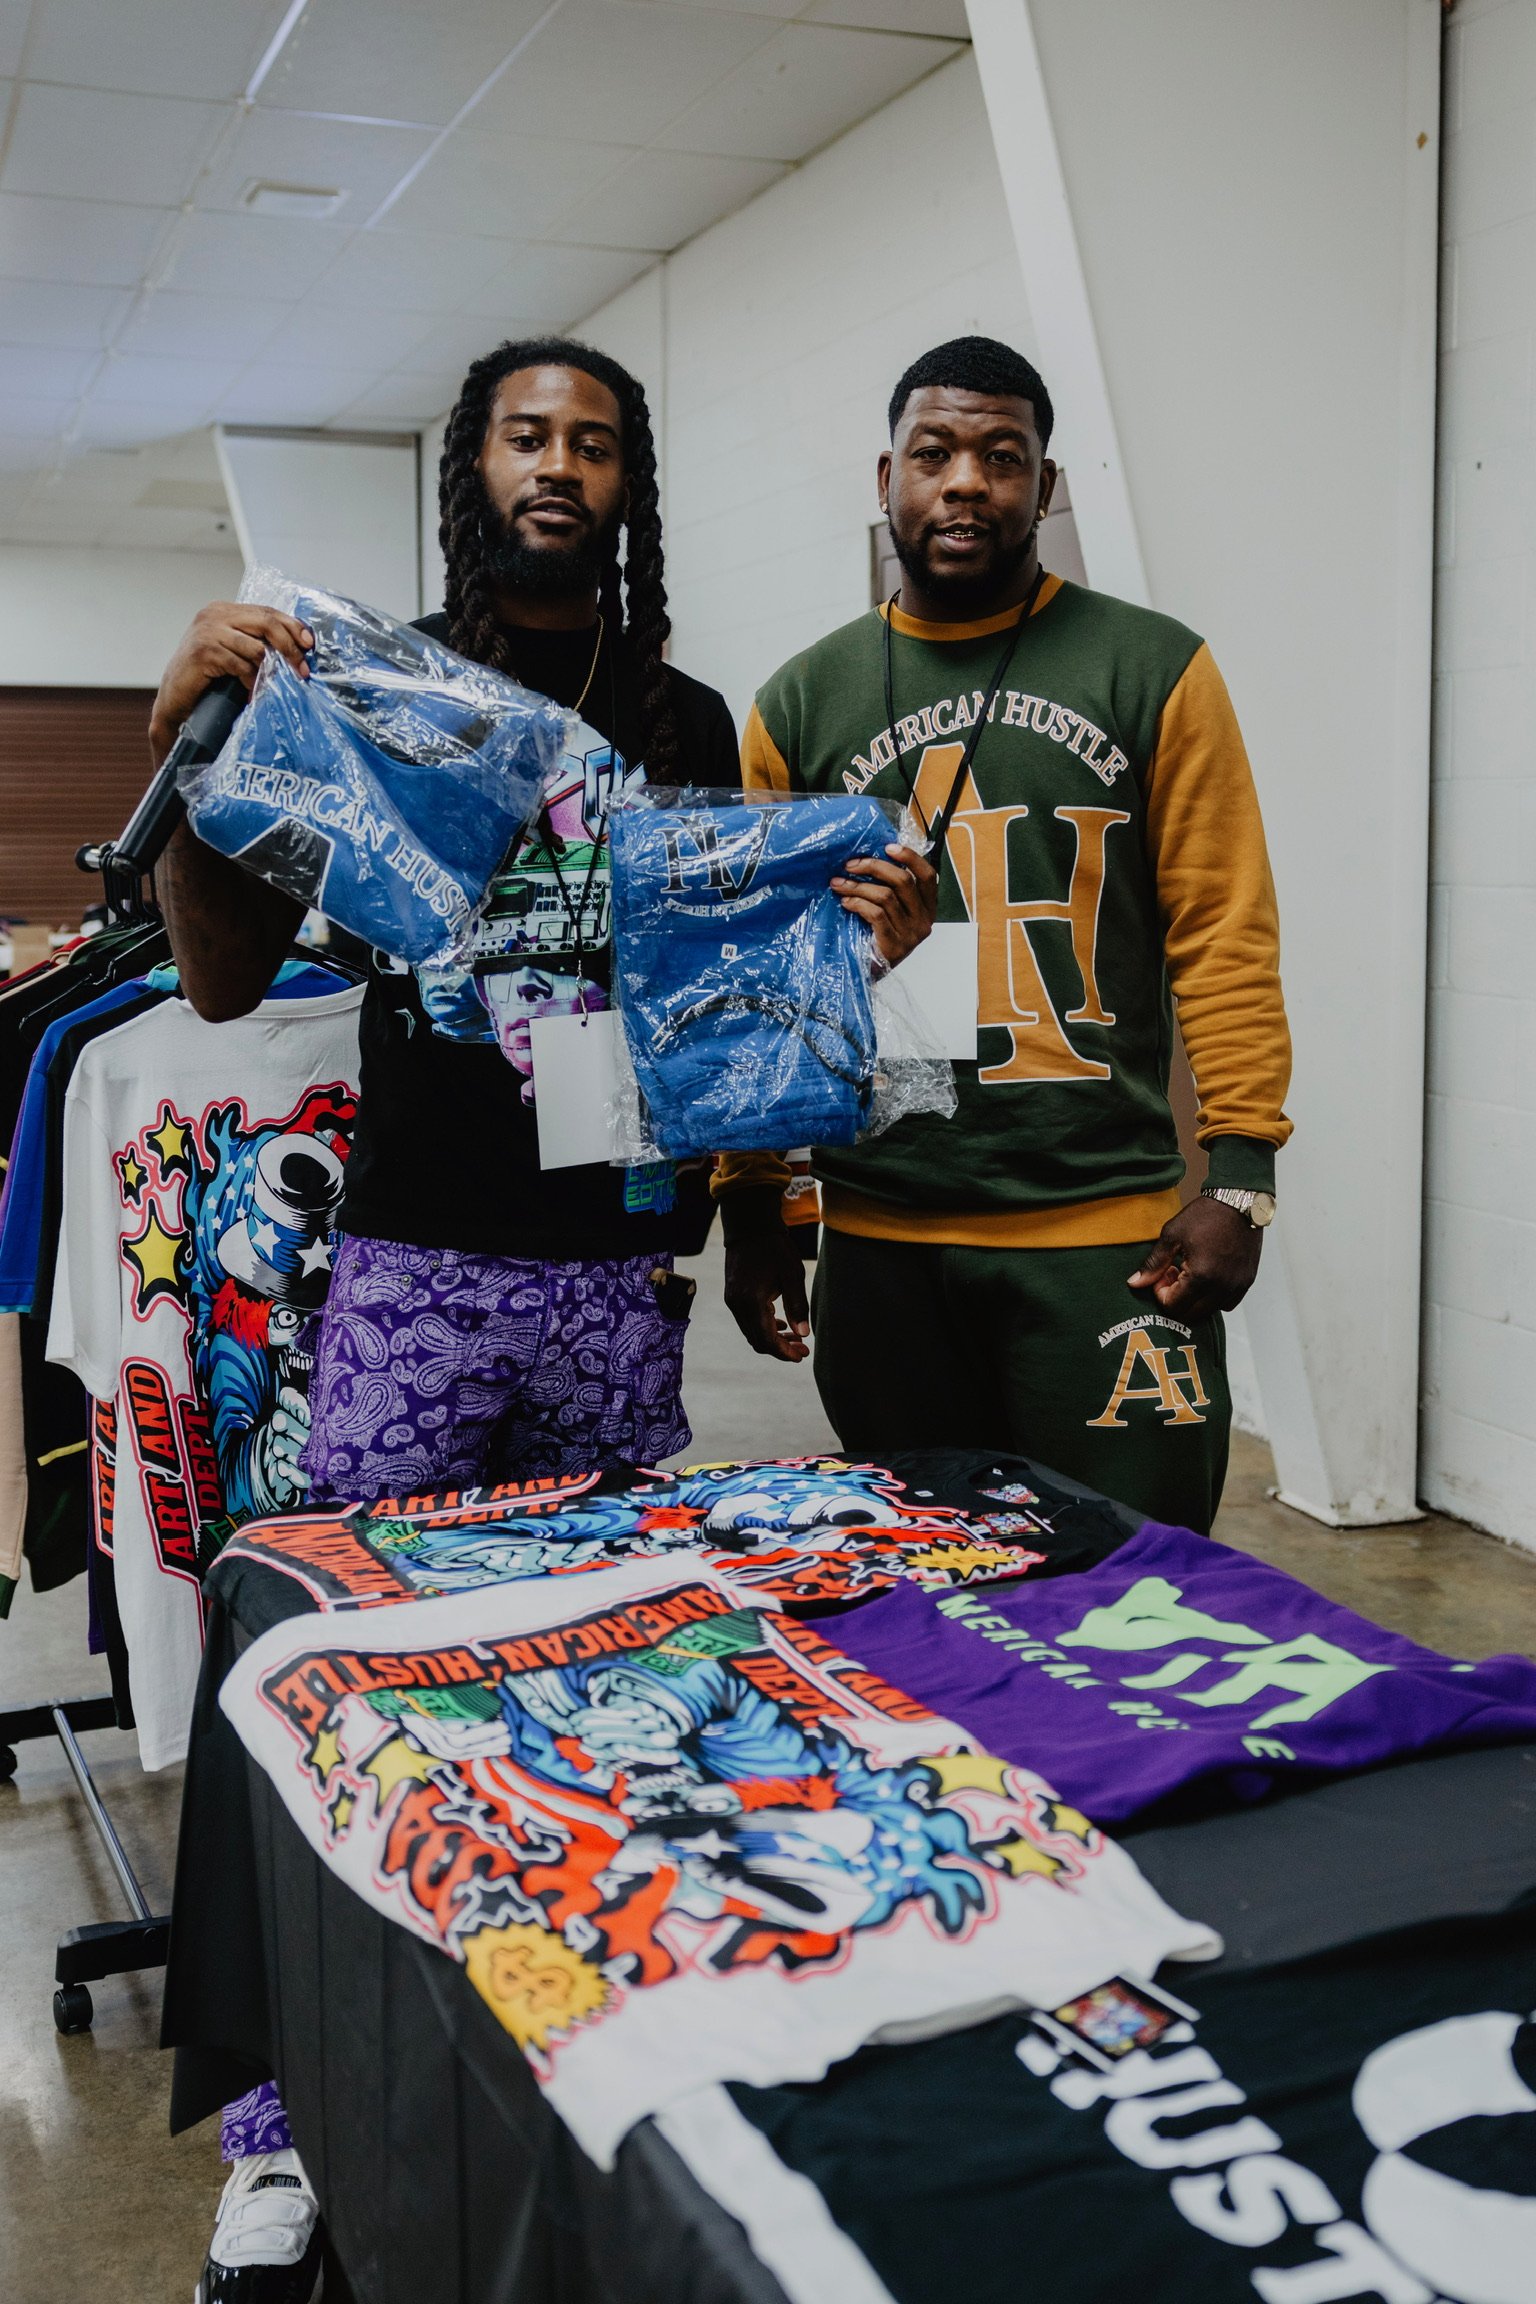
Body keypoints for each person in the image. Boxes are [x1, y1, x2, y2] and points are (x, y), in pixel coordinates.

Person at [151, 336, 932, 2302]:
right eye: (527, 434)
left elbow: (738, 1014)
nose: (559, 464)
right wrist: (193, 737)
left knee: (599, 1696)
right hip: (415, 1272)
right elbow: (225, 973)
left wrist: (857, 956)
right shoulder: (373, 688)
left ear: (627, 482)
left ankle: (563, 2050)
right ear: (473, 468)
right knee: (348, 1689)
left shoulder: (685, 718)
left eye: (593, 439)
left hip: (612, 1290)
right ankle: (280, 2131)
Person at [719, 334, 1291, 1538]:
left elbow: (1223, 932)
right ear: (887, 480)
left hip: (1101, 1236)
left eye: (1004, 456)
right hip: (881, 1240)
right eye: (935, 453)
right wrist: (756, 1199)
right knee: (931, 1598)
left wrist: (1242, 1176)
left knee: (1138, 1587)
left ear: (1047, 485)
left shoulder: (1154, 667)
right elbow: (758, 979)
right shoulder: (799, 701)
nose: (967, 482)